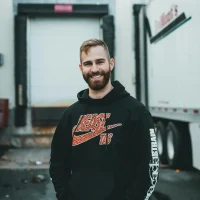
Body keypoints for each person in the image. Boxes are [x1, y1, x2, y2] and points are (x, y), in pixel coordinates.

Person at [49, 39, 159, 200]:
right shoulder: (71, 115)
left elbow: (149, 165)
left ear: (111, 63)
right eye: (88, 64)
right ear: (81, 68)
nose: (94, 69)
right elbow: (58, 163)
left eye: (100, 61)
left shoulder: (136, 112)